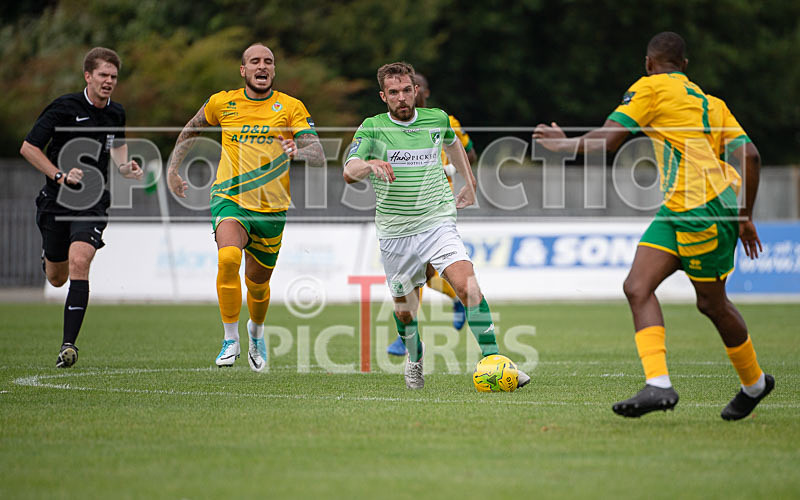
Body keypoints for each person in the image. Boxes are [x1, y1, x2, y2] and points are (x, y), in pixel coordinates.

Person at [533, 32, 773, 420]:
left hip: (702, 209)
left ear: (649, 63)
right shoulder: (713, 104)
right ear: (686, 66)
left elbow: (611, 140)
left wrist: (564, 145)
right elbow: (750, 156)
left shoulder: (650, 87)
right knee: (637, 287)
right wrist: (744, 215)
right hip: (684, 209)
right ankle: (658, 386)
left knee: (711, 304)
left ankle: (755, 383)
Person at [344, 61, 530, 390]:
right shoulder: (372, 127)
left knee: (468, 287)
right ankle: (415, 358)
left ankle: (495, 361)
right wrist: (369, 164)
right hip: (395, 232)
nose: (401, 97)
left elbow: (453, 144)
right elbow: (349, 169)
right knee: (405, 313)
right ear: (383, 96)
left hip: (437, 221)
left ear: (416, 91)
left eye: (406, 90)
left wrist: (470, 184)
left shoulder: (437, 119)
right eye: (393, 92)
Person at [167, 43, 325, 371]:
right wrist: (172, 168)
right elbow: (193, 127)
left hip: (272, 208)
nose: (262, 66)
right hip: (229, 198)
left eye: (268, 61)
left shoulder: (290, 106)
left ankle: (256, 331)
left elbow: (319, 153)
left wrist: (298, 150)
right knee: (228, 259)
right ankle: (230, 338)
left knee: (258, 283)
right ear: (243, 70)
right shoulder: (222, 102)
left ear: (274, 70)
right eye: (254, 61)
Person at [20, 47, 143, 368]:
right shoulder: (64, 107)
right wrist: (59, 175)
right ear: (87, 76)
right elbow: (29, 147)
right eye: (103, 75)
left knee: (80, 260)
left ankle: (68, 345)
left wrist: (128, 168)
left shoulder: (116, 113)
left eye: (114, 77)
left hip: (92, 201)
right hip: (56, 201)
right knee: (57, 278)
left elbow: (118, 155)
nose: (109, 81)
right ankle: (49, 257)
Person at [386, 72, 478, 356]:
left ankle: (407, 337)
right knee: (422, 273)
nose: (410, 95)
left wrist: (453, 170)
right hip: (405, 205)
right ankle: (454, 299)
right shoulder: (394, 124)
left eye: (416, 89)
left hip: (437, 205)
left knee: (419, 270)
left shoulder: (445, 121)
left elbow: (469, 153)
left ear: (422, 91)